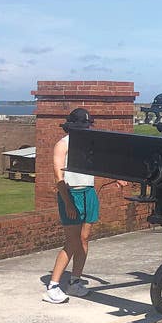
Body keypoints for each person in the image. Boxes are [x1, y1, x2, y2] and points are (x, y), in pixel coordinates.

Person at [44, 108, 101, 303]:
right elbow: (58, 176)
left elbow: (98, 165)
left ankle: (75, 282)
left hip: (88, 191)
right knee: (72, 241)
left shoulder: (89, 144)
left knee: (84, 239)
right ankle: (53, 285)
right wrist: (68, 201)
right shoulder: (63, 145)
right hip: (72, 192)